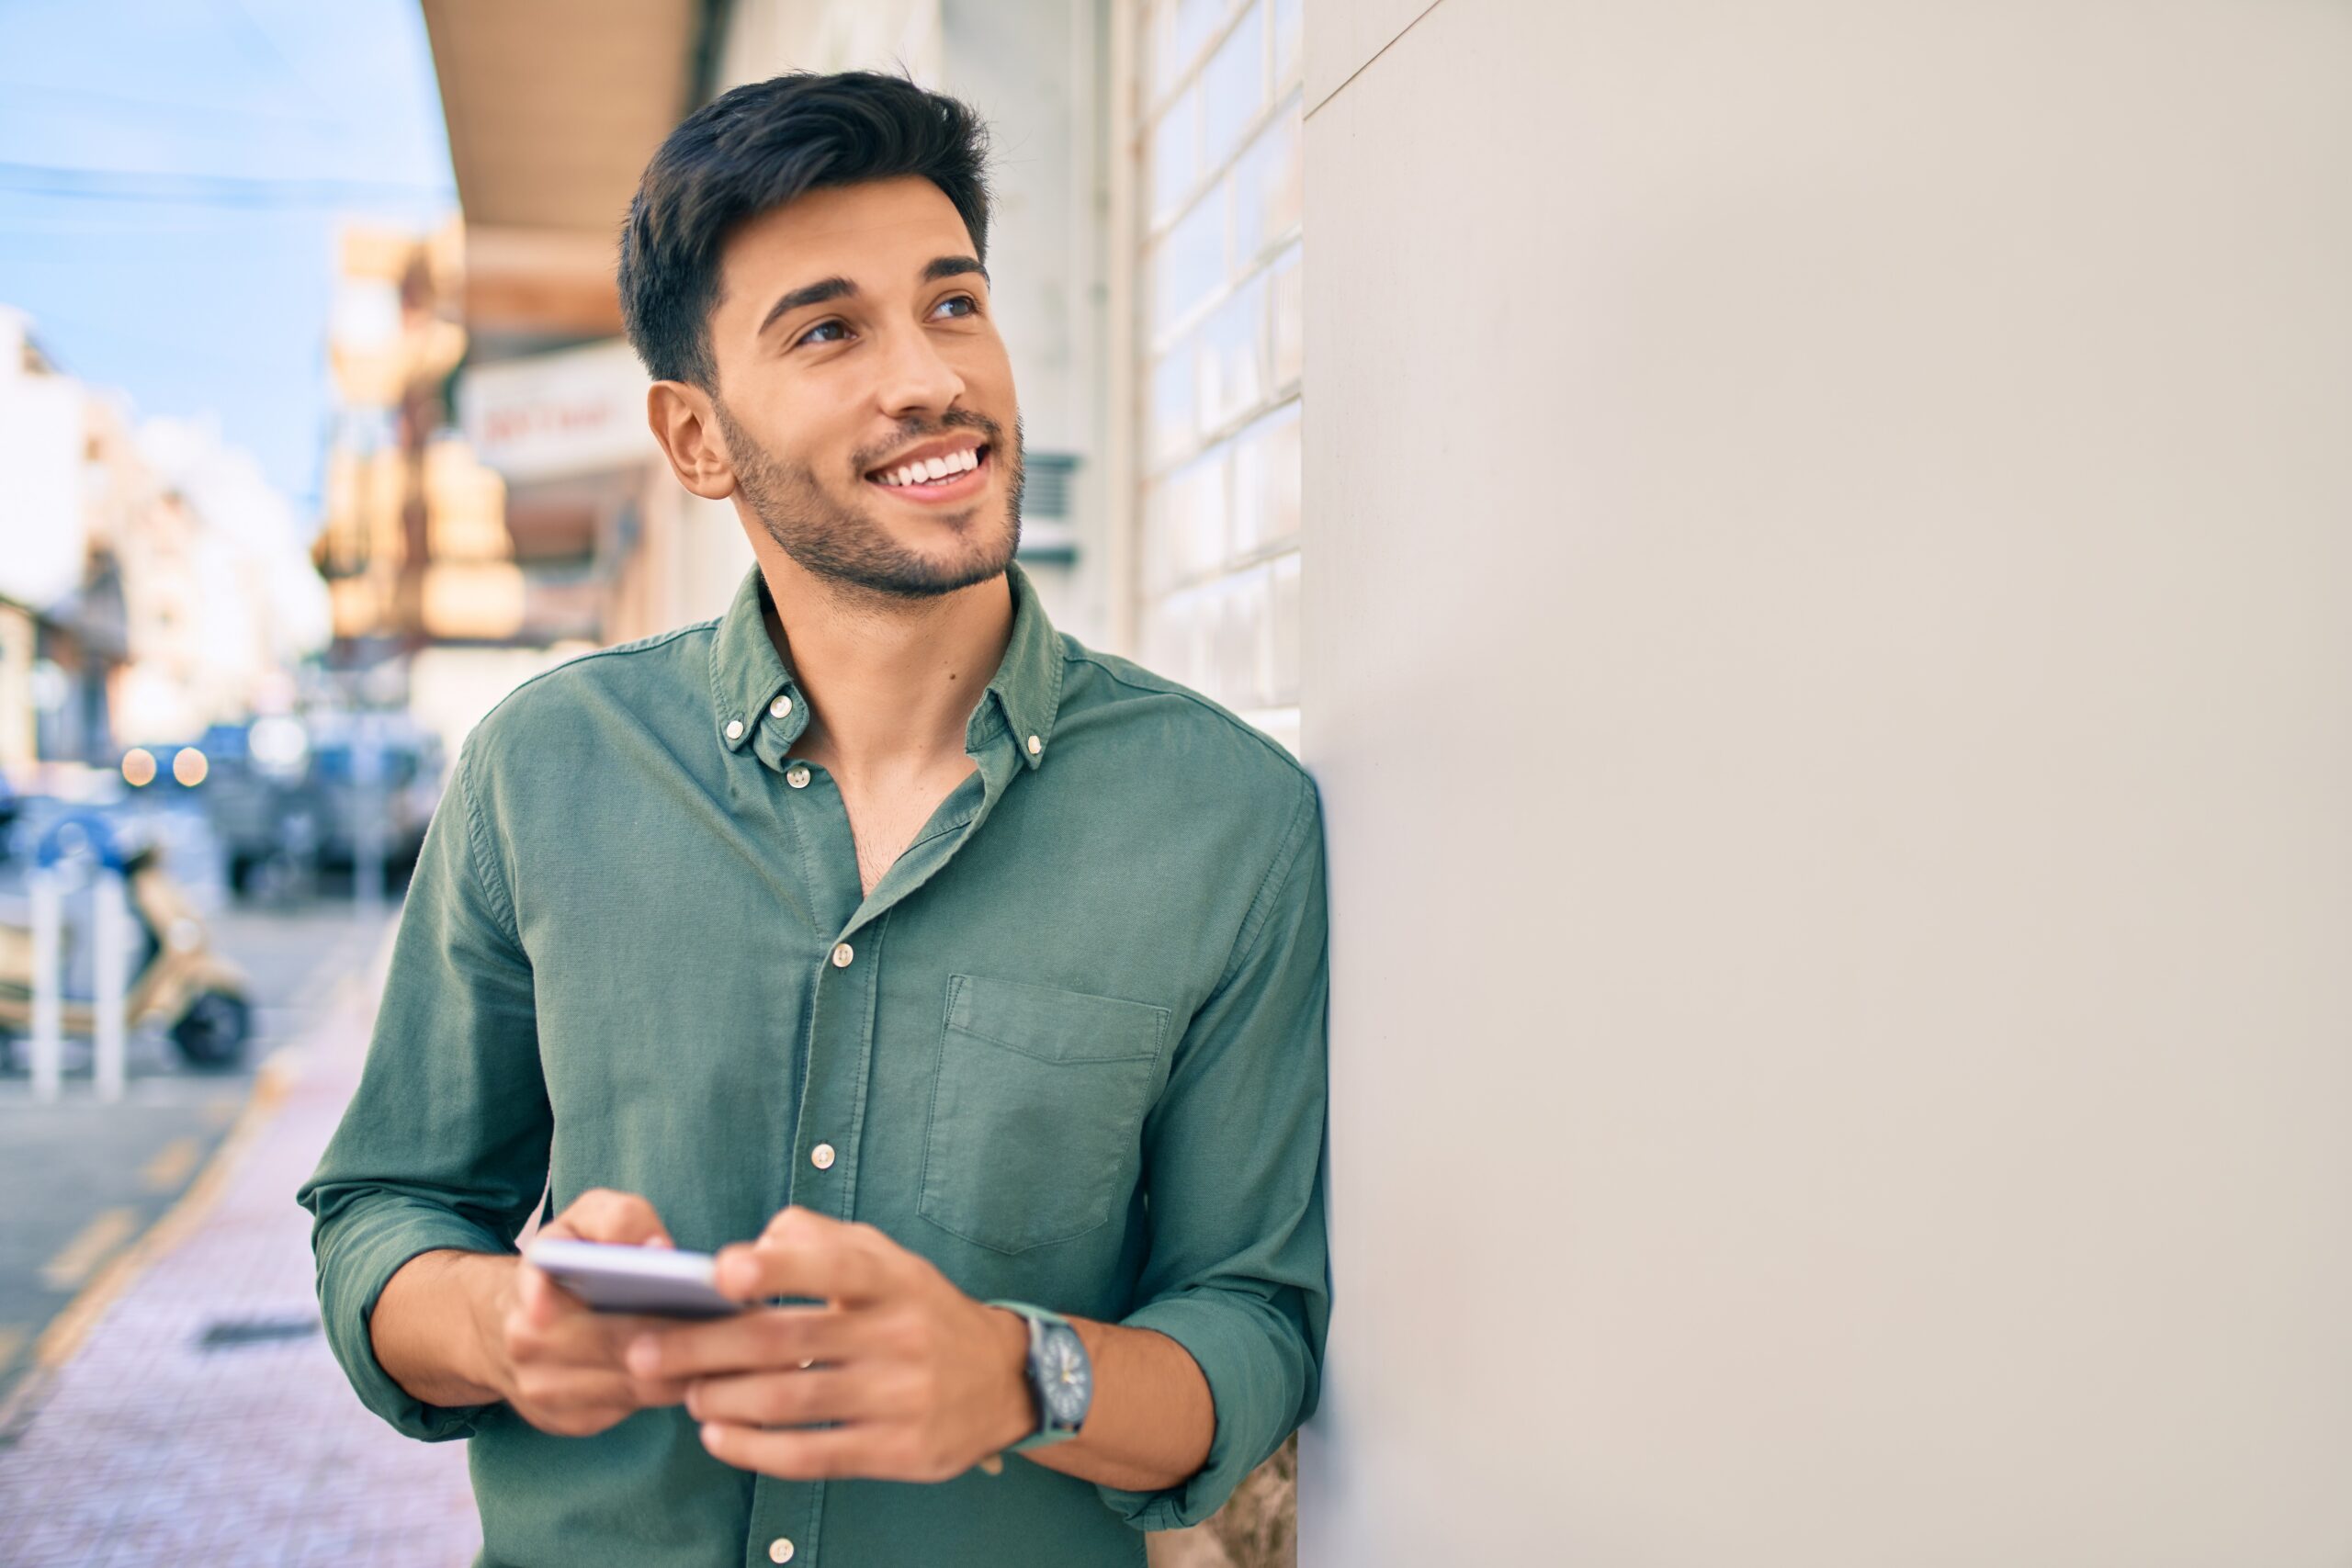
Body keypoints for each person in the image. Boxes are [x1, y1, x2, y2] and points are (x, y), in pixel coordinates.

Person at [296, 68, 1330, 1568]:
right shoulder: (544, 770)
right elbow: (386, 1208)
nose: (930, 379)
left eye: (954, 304)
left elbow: (1253, 1328)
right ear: (696, 439)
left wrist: (1017, 1377)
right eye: (831, 330)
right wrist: (502, 1328)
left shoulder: (1228, 821)